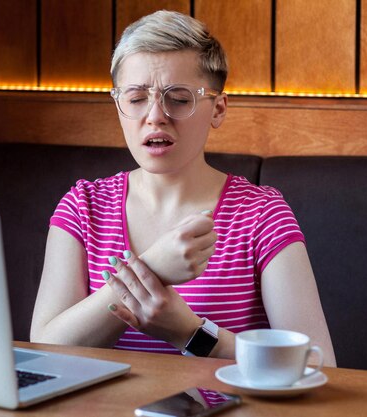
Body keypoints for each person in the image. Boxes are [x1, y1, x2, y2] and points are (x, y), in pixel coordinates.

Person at [30, 10, 336, 366]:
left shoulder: (261, 215)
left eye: (178, 98)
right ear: (118, 106)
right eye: (136, 98)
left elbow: (319, 366)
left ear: (218, 109)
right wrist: (153, 267)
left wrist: (192, 333)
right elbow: (46, 349)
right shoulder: (83, 206)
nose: (156, 115)